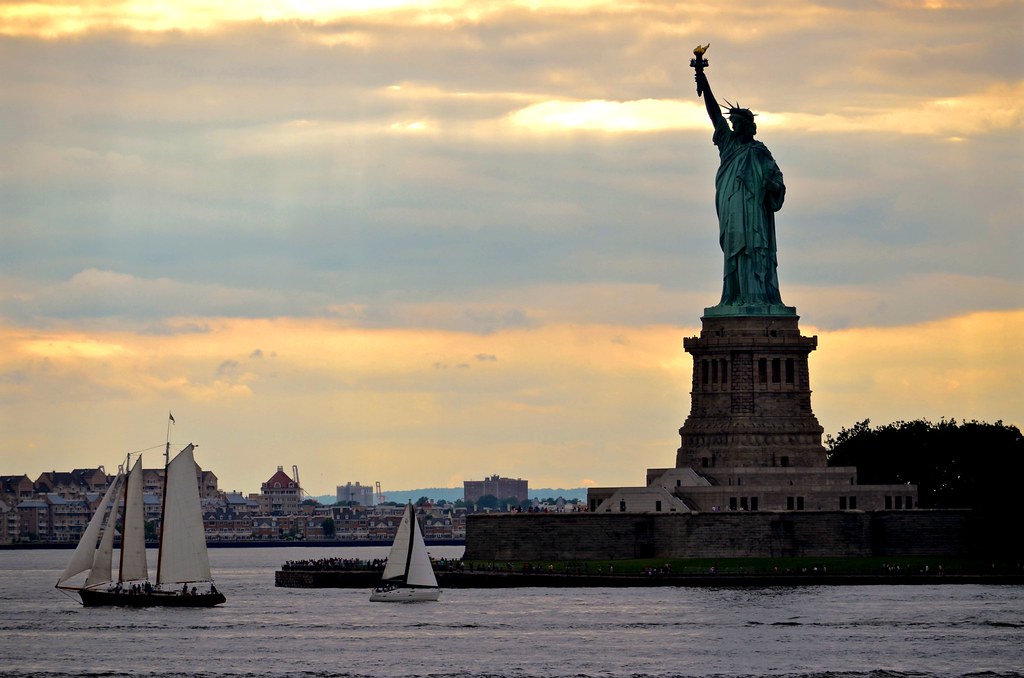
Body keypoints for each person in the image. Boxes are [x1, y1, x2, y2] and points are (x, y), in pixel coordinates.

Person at [695, 68, 787, 310]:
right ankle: (735, 296)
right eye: (733, 124)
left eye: (738, 124)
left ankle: (758, 296)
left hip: (755, 211)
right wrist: (704, 84)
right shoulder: (728, 145)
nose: (734, 128)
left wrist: (771, 186)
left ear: (750, 127)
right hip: (733, 208)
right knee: (735, 251)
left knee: (756, 249)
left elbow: (778, 182)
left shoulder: (760, 152)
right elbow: (715, 115)